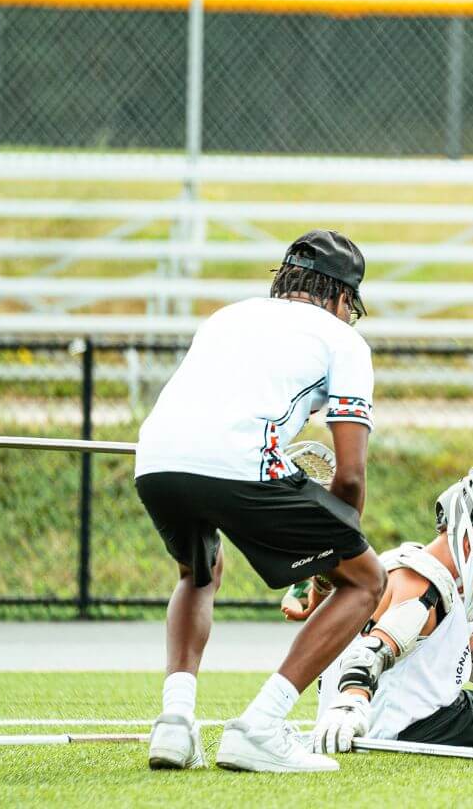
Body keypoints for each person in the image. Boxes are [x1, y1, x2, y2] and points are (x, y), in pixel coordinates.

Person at [134, 229, 387, 774]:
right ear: (343, 297)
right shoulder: (344, 341)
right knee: (366, 580)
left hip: (155, 459)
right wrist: (331, 565)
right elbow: (349, 476)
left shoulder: (226, 316)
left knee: (198, 572)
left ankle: (174, 724)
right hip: (241, 463)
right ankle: (262, 726)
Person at [306, 469, 473, 754]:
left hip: (401, 718)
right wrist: (351, 702)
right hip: (403, 725)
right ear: (472, 541)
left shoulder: (413, 570)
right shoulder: (424, 583)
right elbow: (374, 651)